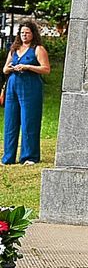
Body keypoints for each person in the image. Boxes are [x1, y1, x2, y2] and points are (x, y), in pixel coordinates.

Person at [2, 20, 51, 165]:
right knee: (10, 121)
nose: (24, 35)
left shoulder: (38, 49)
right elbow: (5, 69)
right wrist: (12, 68)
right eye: (22, 32)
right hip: (13, 86)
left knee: (29, 121)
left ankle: (29, 156)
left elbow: (46, 69)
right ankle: (8, 157)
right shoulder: (14, 49)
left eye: (27, 33)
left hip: (30, 87)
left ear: (33, 34)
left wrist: (28, 66)